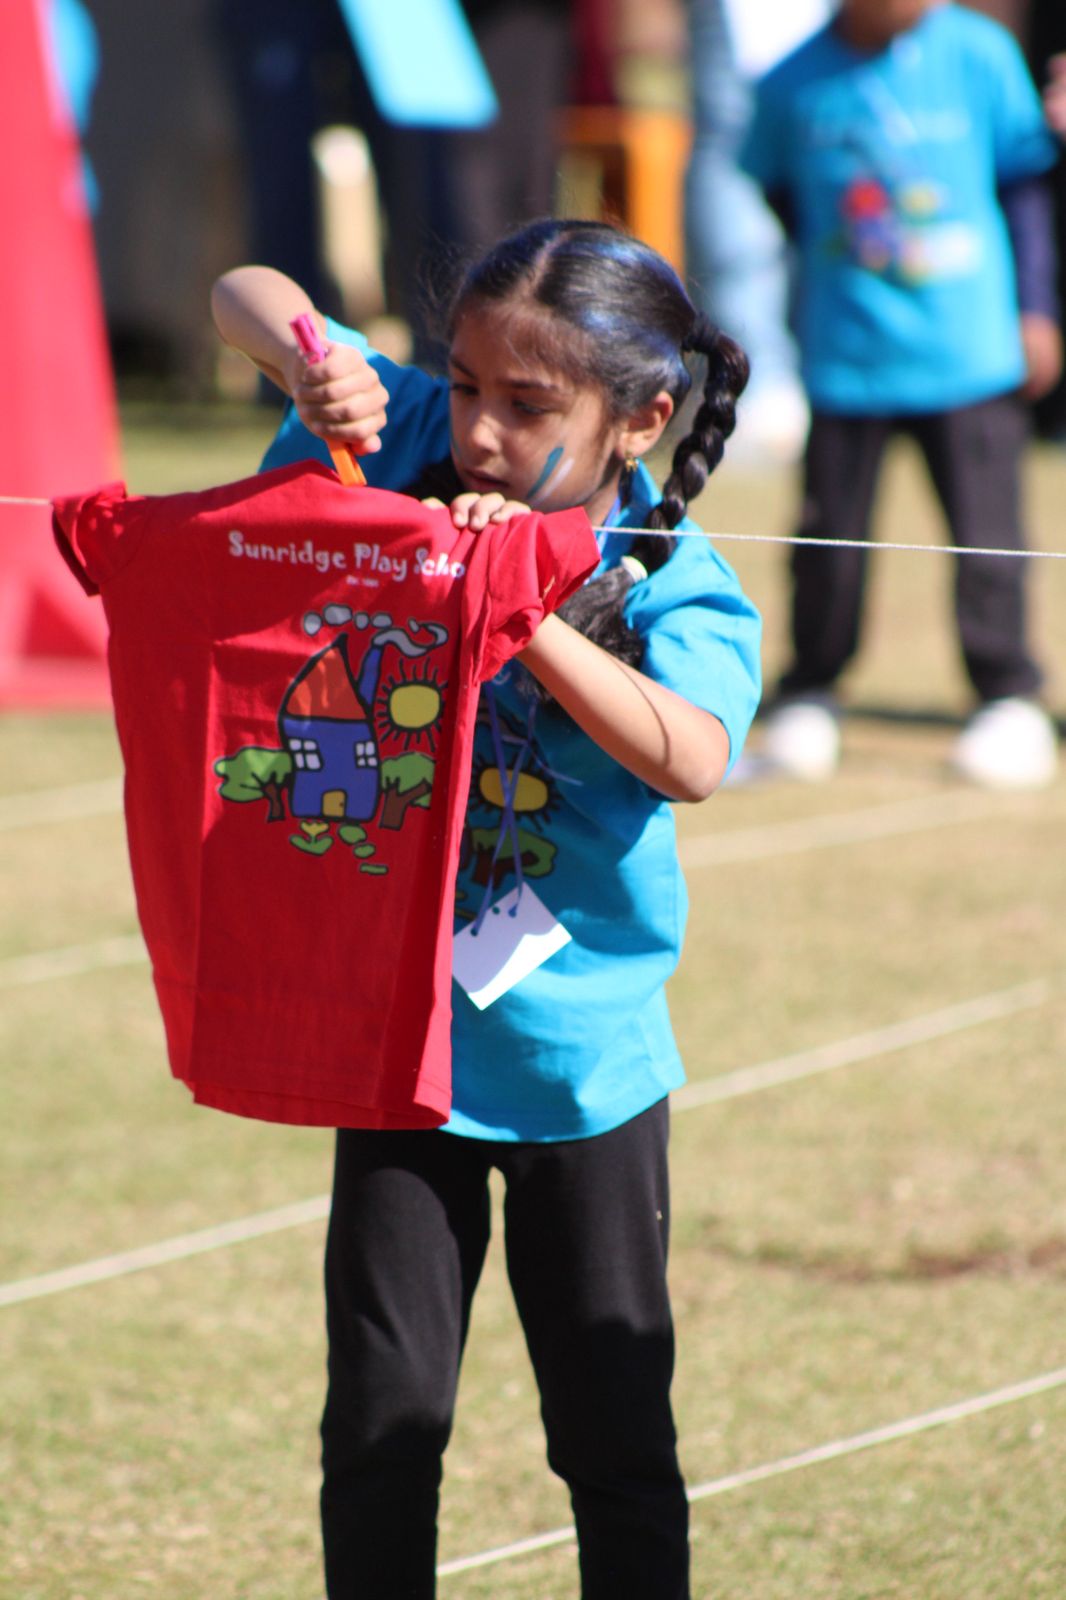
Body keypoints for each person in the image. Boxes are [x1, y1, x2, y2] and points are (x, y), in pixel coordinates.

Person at [211, 218, 762, 1600]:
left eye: (527, 407)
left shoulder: (668, 576)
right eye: (462, 384)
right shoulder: (409, 439)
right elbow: (245, 286)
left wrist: (527, 615)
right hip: (403, 1053)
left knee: (613, 1441)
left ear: (639, 416)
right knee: (381, 1426)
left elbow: (691, 754)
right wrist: (304, 359)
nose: (476, 432)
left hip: (584, 1068)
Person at [741, 0, 1062, 787]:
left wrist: (1037, 308)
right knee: (831, 544)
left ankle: (1006, 692)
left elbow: (1023, 191)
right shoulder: (789, 84)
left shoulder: (981, 54)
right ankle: (811, 689)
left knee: (988, 539)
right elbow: (780, 199)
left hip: (973, 351)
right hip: (848, 357)